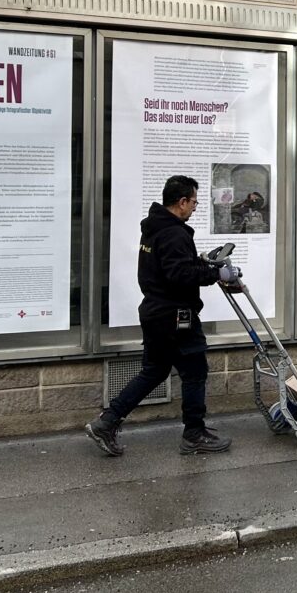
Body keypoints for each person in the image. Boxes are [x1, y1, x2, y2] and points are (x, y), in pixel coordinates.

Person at [86, 175, 239, 456]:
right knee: (195, 372)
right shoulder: (174, 233)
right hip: (175, 317)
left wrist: (201, 263)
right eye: (193, 202)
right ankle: (194, 434)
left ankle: (106, 423)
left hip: (156, 312)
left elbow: (171, 267)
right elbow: (179, 275)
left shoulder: (155, 228)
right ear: (181, 202)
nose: (194, 207)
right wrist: (216, 272)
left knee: (154, 371)